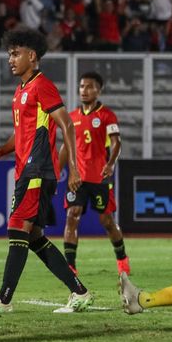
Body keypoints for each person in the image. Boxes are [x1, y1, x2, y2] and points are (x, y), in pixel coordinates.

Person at [0, 28, 91, 315]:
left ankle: (3, 300)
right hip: (27, 169)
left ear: (32, 56)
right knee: (33, 236)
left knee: (16, 227)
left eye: (15, 53)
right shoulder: (21, 90)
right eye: (9, 54)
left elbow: (68, 125)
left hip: (38, 169)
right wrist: (1, 150)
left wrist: (73, 168)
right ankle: (80, 292)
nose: (10, 59)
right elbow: (22, 133)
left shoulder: (41, 86)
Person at [58, 72, 129, 276]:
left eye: (89, 86)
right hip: (77, 178)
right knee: (72, 215)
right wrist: (55, 173)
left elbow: (116, 142)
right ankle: (70, 266)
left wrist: (111, 163)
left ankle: (122, 257)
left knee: (106, 221)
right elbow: (65, 148)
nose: (84, 90)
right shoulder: (71, 117)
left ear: (99, 90)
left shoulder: (106, 116)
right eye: (82, 86)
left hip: (99, 177)